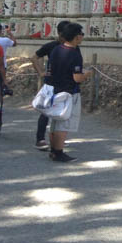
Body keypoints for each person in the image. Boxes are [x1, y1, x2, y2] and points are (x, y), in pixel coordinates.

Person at [47, 22, 91, 162]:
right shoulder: (74, 54)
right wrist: (87, 74)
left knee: (55, 121)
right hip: (69, 92)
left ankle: (53, 150)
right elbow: (77, 77)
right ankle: (59, 152)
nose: (82, 37)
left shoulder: (56, 50)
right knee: (64, 123)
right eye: (81, 34)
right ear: (77, 36)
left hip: (55, 89)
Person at [31, 20, 69, 151]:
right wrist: (41, 72)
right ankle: (40, 139)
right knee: (46, 112)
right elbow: (34, 57)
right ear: (59, 33)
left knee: (62, 112)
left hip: (66, 83)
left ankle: (57, 138)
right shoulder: (51, 46)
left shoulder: (74, 46)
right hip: (51, 83)